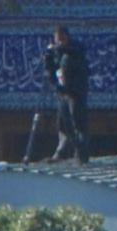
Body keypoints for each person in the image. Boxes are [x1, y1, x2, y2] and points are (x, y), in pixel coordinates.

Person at [37, 21, 90, 162]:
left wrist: (61, 49)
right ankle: (61, 152)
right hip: (63, 93)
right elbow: (53, 72)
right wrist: (48, 58)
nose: (59, 42)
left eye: (61, 38)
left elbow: (74, 56)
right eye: (57, 39)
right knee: (63, 124)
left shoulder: (75, 50)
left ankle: (81, 153)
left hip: (75, 94)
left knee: (78, 123)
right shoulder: (57, 53)